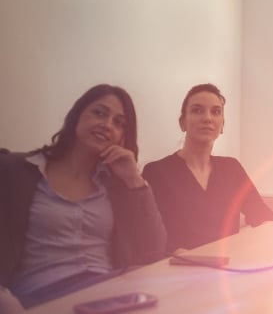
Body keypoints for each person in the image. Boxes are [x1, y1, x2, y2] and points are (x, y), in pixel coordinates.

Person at [0, 84, 166, 309]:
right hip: (40, 297)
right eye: (99, 113)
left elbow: (154, 248)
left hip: (107, 292)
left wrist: (134, 180)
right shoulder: (16, 169)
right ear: (77, 115)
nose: (107, 125)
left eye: (119, 123)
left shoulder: (116, 185)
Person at [143, 84, 273, 252]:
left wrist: (266, 232)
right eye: (197, 110)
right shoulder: (156, 172)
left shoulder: (232, 169)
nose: (207, 118)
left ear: (222, 126)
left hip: (227, 270)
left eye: (215, 112)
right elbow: (147, 235)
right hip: (177, 269)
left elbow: (262, 214)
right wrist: (175, 253)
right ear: (182, 122)